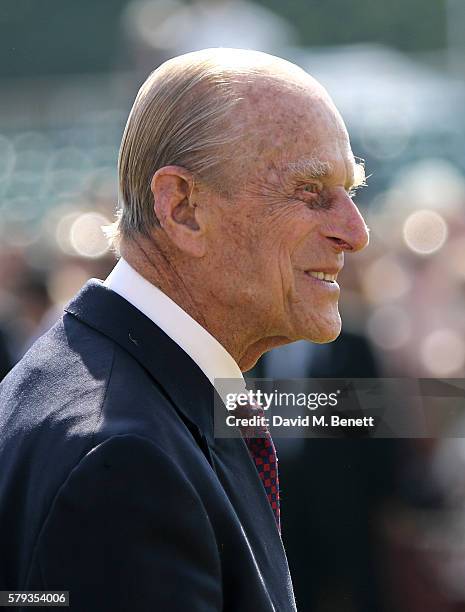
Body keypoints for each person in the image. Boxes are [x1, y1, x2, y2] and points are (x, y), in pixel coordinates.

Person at [0, 48, 369, 611]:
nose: (355, 232)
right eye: (311, 192)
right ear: (183, 208)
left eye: (353, 192)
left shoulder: (118, 395)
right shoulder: (123, 460)